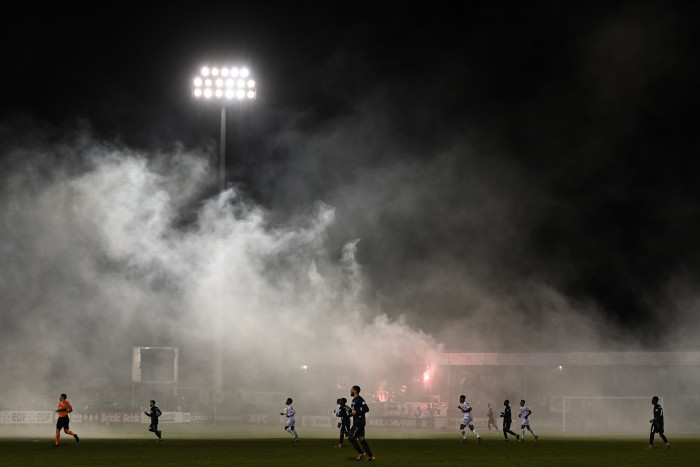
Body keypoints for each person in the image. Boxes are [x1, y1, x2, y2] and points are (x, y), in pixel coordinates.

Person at [349, 385, 375, 461]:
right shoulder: (354, 400)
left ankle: (361, 453)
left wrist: (356, 411)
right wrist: (350, 411)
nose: (350, 391)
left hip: (359, 422)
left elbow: (366, 409)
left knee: (350, 437)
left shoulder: (360, 399)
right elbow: (354, 412)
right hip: (356, 422)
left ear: (355, 391)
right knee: (361, 439)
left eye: (351, 390)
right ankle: (371, 456)